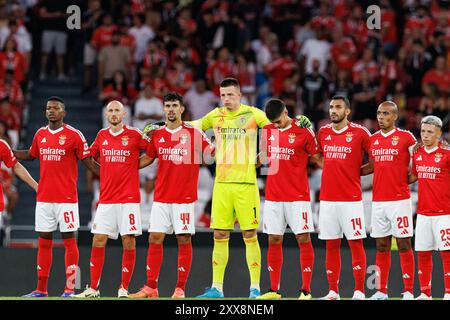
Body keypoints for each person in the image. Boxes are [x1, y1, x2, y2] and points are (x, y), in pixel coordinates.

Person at [162, 77, 310, 298]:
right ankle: (217, 288)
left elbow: (279, 123)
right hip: (221, 184)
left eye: (230, 95)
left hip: (246, 184)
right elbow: (193, 126)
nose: (226, 99)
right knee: (219, 235)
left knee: (249, 234)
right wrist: (163, 124)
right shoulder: (216, 115)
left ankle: (255, 289)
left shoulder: (253, 114)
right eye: (223, 95)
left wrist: (299, 121)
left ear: (240, 95)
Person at [128, 92, 214, 299]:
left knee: (183, 239)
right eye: (168, 106)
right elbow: (148, 158)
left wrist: (221, 146)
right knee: (155, 237)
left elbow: (210, 153)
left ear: (182, 109)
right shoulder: (157, 134)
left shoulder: (193, 133)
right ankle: (151, 287)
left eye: (175, 105)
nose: (171, 109)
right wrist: (122, 167)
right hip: (161, 196)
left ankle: (180, 289)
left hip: (184, 198)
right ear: (164, 109)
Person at [14, 96, 98, 297]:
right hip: (44, 199)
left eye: (55, 108)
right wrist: (9, 151)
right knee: (44, 241)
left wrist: (111, 174)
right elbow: (31, 154)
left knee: (70, 242)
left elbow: (90, 164)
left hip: (67, 199)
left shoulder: (74, 135)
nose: (51, 111)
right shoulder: (40, 134)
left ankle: (70, 288)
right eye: (48, 108)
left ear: (63, 112)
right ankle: (41, 289)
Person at [74, 100, 149, 298]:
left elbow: (152, 151)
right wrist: (102, 172)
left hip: (129, 198)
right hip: (106, 198)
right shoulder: (101, 135)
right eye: (110, 111)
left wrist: (134, 166)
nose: (114, 114)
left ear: (124, 114)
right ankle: (92, 288)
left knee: (128, 241)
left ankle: (123, 288)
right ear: (106, 115)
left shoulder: (134, 134)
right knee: (98, 239)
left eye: (117, 110)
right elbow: (88, 156)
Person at [257, 99, 318, 300]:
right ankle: (274, 290)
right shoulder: (266, 130)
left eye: (278, 121)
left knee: (303, 239)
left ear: (286, 112)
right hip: (273, 196)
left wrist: (312, 130)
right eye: (272, 123)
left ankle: (306, 291)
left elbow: (316, 154)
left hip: (298, 195)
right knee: (274, 239)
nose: (276, 125)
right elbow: (263, 157)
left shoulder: (303, 130)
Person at [315, 96, 371, 300]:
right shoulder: (323, 132)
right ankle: (333, 292)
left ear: (347, 111)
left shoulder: (360, 132)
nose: (333, 111)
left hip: (351, 198)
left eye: (338, 107)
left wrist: (357, 172)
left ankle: (359, 291)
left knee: (356, 243)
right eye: (331, 107)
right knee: (331, 244)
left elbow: (375, 158)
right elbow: (317, 155)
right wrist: (329, 167)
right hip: (328, 198)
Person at [360, 101, 417, 300]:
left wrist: (413, 177)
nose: (381, 117)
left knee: (403, 244)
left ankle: (409, 290)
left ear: (394, 116)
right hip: (378, 202)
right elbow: (373, 165)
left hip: (400, 200)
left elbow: (420, 158)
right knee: (381, 245)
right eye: (379, 113)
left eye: (385, 114)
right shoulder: (373, 140)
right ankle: (380, 291)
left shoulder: (406, 137)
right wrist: (351, 173)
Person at [408, 115, 450, 300]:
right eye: (423, 131)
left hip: (445, 213)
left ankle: (448, 293)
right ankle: (425, 293)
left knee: (447, 254)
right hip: (423, 213)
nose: (425, 135)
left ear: (439, 134)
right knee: (423, 253)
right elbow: (413, 177)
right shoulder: (417, 154)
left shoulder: (447, 154)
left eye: (430, 132)